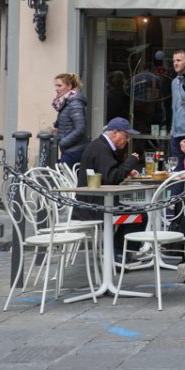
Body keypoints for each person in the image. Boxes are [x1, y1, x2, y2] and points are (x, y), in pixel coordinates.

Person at [74, 118, 142, 253]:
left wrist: (125, 172)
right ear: (115, 133)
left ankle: (118, 251)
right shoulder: (102, 148)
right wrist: (130, 162)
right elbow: (111, 178)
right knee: (140, 215)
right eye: (126, 136)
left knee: (137, 212)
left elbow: (108, 175)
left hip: (90, 202)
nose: (127, 140)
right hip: (94, 207)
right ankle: (119, 253)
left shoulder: (100, 145)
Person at [52, 72, 88, 166]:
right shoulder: (66, 102)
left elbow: (80, 128)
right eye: (56, 86)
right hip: (70, 150)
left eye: (59, 86)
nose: (56, 89)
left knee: (66, 179)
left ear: (69, 86)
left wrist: (63, 142)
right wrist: (58, 129)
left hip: (74, 152)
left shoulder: (75, 103)